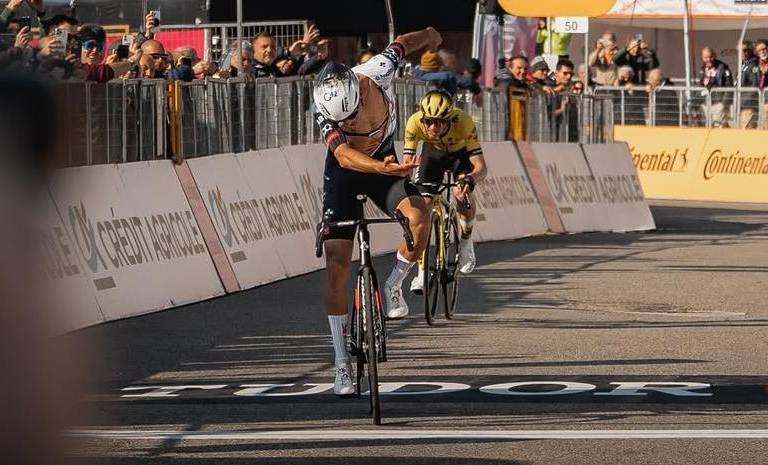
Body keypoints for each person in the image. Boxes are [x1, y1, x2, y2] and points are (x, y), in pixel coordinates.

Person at [313, 27, 441, 396]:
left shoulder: (377, 70)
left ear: (360, 89)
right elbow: (341, 154)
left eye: (351, 117)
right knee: (337, 263)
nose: (349, 124)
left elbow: (405, 41)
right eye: (344, 122)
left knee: (420, 217)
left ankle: (395, 283)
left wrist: (431, 36)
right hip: (347, 173)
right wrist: (381, 168)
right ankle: (340, 362)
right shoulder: (326, 106)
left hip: (384, 164)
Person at [402, 90, 487, 294]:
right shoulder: (414, 123)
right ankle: (421, 272)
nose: (433, 127)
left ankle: (466, 244)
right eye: (428, 121)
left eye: (439, 122)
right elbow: (407, 163)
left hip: (460, 155)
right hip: (433, 155)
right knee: (422, 208)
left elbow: (481, 167)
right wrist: (407, 185)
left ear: (450, 118)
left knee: (461, 194)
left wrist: (470, 179)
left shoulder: (464, 122)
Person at [698, 46, 733, 127]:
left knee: (719, 128)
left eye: (711, 57)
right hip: (706, 104)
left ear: (715, 55)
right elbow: (700, 85)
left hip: (719, 104)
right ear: (702, 58)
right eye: (706, 57)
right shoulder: (702, 69)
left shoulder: (723, 67)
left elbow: (729, 87)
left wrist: (724, 104)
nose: (709, 59)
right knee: (708, 129)